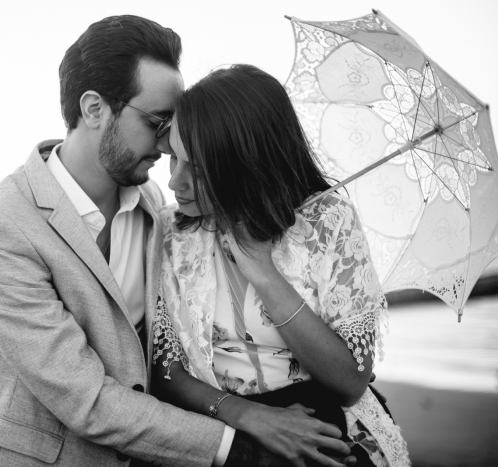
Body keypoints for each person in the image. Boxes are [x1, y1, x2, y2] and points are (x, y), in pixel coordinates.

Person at [0, 16, 351, 467]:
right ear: (93, 109)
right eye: (157, 121)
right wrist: (239, 443)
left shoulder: (154, 204)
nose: (168, 146)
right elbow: (84, 397)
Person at [152, 64, 411, 467]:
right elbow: (163, 367)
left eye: (197, 169)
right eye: (174, 159)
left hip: (326, 429)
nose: (175, 183)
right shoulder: (169, 232)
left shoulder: (327, 221)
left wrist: (263, 271)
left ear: (243, 163)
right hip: (220, 435)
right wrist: (247, 416)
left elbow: (349, 383)